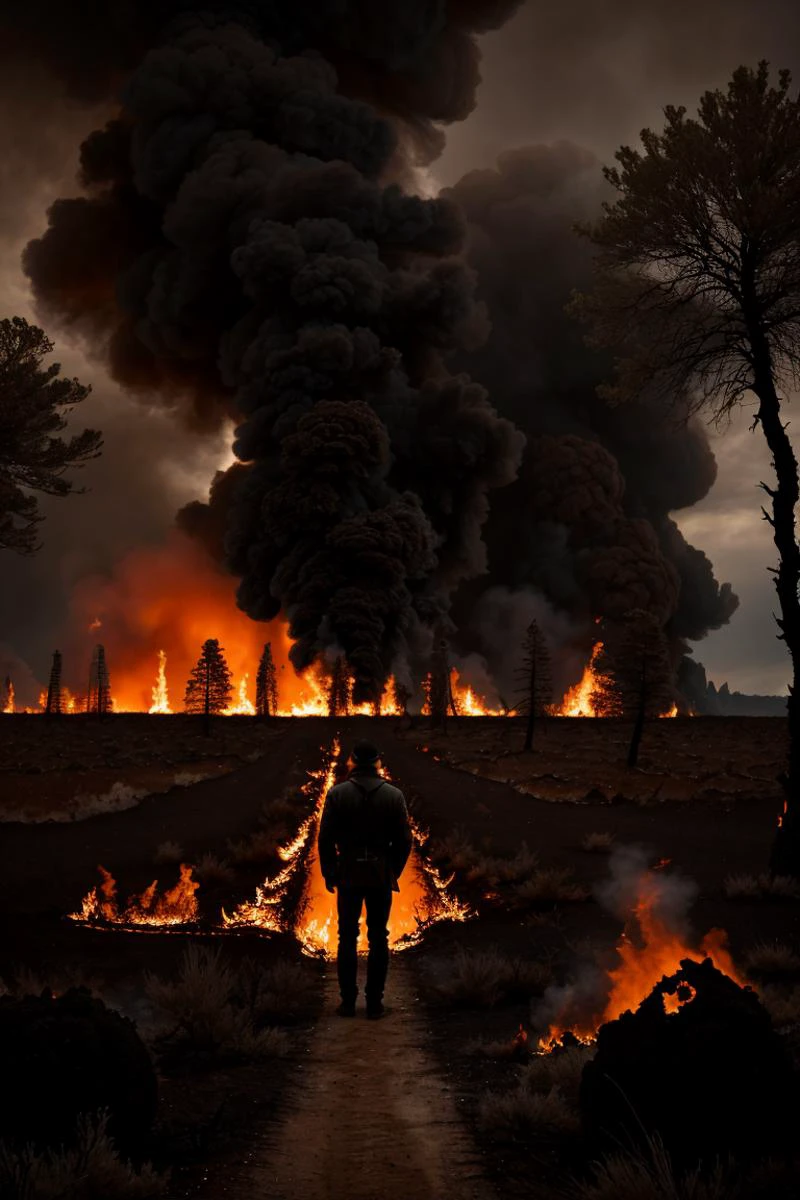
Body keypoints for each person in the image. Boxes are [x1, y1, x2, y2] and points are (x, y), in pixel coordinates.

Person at [318, 739, 412, 1018]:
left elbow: (325, 838)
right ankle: (374, 1004)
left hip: (348, 872)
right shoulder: (394, 796)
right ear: (377, 764)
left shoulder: (338, 794)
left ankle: (348, 1003)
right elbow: (405, 840)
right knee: (379, 937)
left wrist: (330, 871)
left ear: (353, 762)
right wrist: (392, 869)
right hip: (379, 874)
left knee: (347, 936)